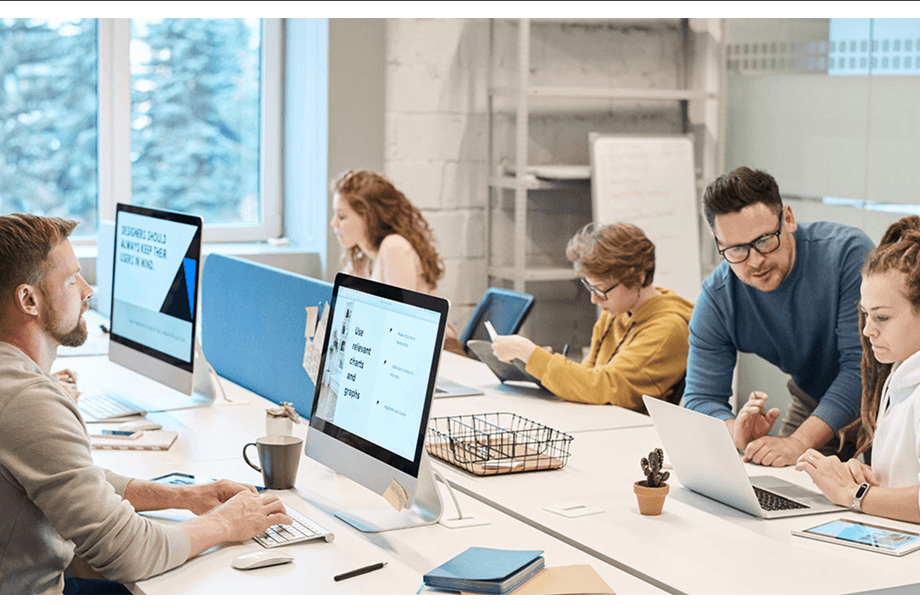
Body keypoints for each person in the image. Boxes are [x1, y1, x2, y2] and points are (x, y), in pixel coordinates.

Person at [0, 213, 292, 595]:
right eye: (72, 279)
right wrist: (226, 523)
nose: (88, 291)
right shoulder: (28, 399)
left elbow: (70, 477)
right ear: (29, 299)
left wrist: (183, 496)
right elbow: (129, 553)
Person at [684, 167, 875, 467]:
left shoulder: (846, 255)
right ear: (717, 242)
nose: (756, 261)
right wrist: (737, 431)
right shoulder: (718, 297)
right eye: (736, 249)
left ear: (788, 218)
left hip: (886, 398)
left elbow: (862, 369)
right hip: (814, 399)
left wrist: (798, 443)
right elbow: (699, 398)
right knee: (781, 483)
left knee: (884, 501)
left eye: (764, 240)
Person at [490, 222, 693, 410]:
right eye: (589, 287)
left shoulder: (668, 328)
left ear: (638, 279)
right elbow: (588, 375)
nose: (594, 300)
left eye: (601, 290)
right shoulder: (616, 311)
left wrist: (530, 354)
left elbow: (603, 386)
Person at [796, 216, 920, 523]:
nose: (866, 331)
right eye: (865, 315)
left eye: (882, 318)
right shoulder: (900, 375)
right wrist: (872, 481)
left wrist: (852, 494)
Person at [330, 169, 462, 352]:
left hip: (437, 354)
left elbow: (399, 325)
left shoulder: (394, 247)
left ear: (368, 216)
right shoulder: (362, 258)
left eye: (342, 216)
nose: (334, 223)